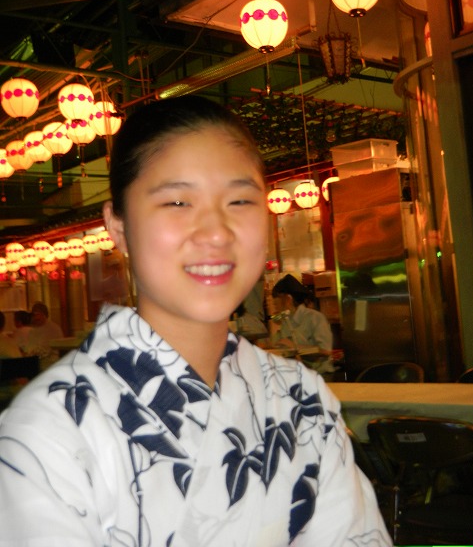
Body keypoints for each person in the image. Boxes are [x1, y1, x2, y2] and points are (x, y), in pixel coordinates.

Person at [0, 96, 392, 546]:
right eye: (178, 201)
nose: (216, 232)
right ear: (118, 227)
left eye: (240, 200)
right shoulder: (44, 434)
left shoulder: (301, 399)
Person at [271, 273, 336, 376]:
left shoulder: (315, 317)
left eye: (276, 302)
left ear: (288, 299)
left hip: (321, 375)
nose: (275, 306)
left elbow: (326, 351)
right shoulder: (286, 321)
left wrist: (295, 347)